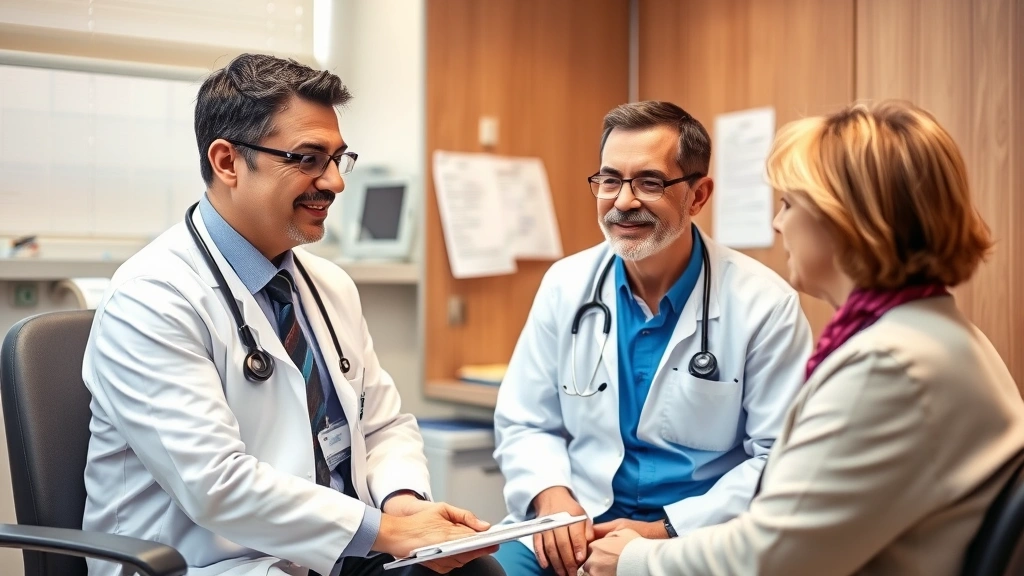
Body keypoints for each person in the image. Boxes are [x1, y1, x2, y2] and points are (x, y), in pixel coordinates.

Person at [81, 53, 504, 576]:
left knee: (472, 571)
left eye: (337, 159)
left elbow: (381, 424)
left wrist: (403, 504)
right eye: (307, 159)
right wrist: (389, 533)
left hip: (325, 552)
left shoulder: (328, 286)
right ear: (227, 161)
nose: (334, 183)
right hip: (206, 563)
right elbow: (215, 485)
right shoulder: (152, 299)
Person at [581, 100, 1024, 576]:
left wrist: (635, 560)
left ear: (847, 221)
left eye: (790, 205)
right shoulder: (942, 337)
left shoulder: (889, 366)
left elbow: (769, 557)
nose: (777, 223)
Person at [491, 101, 813, 576]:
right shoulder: (566, 284)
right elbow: (525, 421)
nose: (623, 201)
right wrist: (552, 498)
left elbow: (777, 459)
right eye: (609, 180)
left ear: (698, 195)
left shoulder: (765, 304)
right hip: (573, 528)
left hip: (692, 538)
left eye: (649, 182)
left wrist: (663, 532)